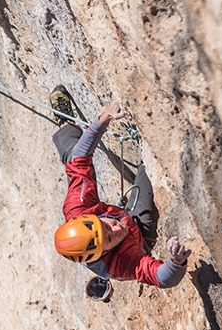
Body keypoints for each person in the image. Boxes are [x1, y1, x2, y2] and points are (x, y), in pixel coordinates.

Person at [50, 85, 191, 289]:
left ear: (89, 218)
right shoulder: (120, 263)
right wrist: (175, 262)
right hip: (139, 233)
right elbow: (160, 278)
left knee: (72, 156)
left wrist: (102, 120)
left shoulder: (77, 209)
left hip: (102, 216)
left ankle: (65, 122)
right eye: (110, 238)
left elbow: (78, 161)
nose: (116, 228)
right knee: (150, 171)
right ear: (103, 252)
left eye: (107, 225)